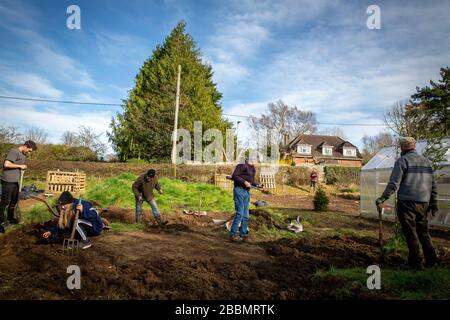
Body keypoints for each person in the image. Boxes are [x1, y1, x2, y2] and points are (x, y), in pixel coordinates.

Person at [376, 137, 439, 269]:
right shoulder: (427, 162)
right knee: (424, 232)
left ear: (402, 148)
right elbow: (433, 185)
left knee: (410, 232)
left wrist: (382, 198)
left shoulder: (402, 160)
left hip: (407, 203)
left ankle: (415, 262)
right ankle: (432, 261)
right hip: (424, 203)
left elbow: (394, 184)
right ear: (414, 146)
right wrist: (434, 203)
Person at [0, 140, 37, 233]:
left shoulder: (23, 155)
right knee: (5, 202)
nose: (29, 153)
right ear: (25, 146)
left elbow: (18, 166)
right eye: (29, 150)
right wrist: (20, 166)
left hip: (16, 182)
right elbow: (6, 164)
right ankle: (0, 222)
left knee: (14, 201)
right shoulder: (14, 151)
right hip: (8, 181)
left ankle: (10, 218)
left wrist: (22, 168)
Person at [229, 157, 262, 242]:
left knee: (246, 215)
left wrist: (257, 185)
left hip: (246, 192)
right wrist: (244, 182)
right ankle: (233, 234)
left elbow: (251, 181)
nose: (258, 163)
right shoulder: (242, 165)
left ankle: (243, 235)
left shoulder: (253, 169)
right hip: (239, 190)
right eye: (257, 161)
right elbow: (235, 176)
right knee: (239, 213)